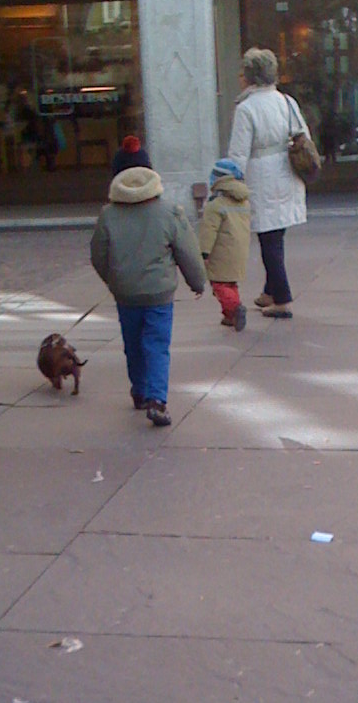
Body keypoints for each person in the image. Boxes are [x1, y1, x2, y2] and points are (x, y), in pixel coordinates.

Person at [90, 147, 205, 427]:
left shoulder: (108, 215)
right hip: (159, 294)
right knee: (156, 345)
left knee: (132, 344)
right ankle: (157, 398)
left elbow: (98, 256)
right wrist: (197, 282)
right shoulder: (169, 212)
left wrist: (113, 280)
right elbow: (187, 252)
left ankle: (140, 391)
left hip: (126, 295)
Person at [226, 46, 310, 320]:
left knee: (268, 240)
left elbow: (238, 153)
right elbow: (302, 135)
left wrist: (228, 182)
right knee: (276, 234)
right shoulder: (286, 101)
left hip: (260, 176)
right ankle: (270, 291)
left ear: (249, 77)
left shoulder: (246, 108)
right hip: (287, 173)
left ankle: (282, 298)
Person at [198, 157, 249, 333]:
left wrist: (204, 253)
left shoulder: (215, 204)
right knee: (231, 284)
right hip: (239, 250)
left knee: (219, 285)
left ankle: (235, 308)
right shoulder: (243, 200)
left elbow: (208, 231)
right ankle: (229, 316)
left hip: (221, 251)